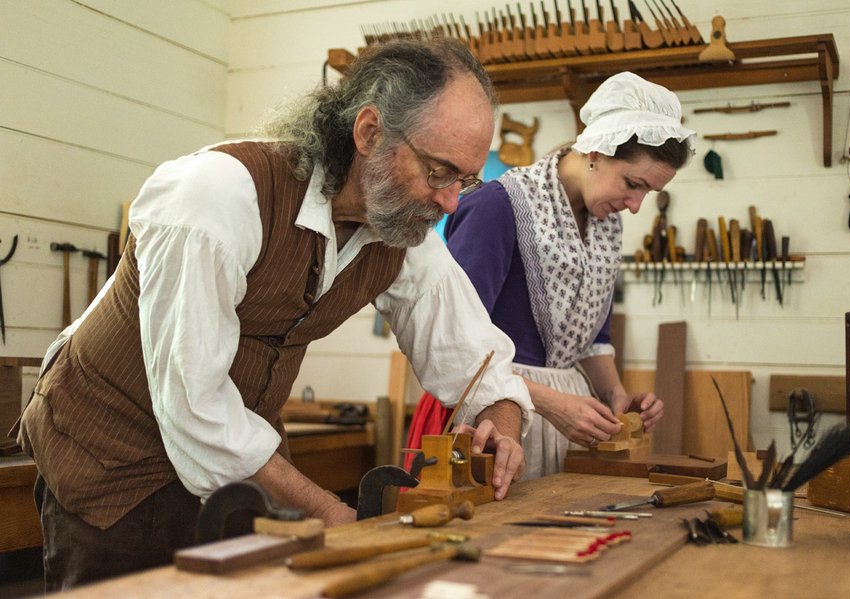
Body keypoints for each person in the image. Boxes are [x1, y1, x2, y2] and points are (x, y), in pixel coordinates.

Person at [11, 39, 533, 590]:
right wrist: (330, 512)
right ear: (369, 132)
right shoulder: (216, 196)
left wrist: (500, 424)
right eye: (437, 171)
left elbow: (477, 357)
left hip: (236, 461)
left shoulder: (404, 234)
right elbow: (196, 403)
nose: (451, 202)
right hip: (110, 459)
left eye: (465, 180)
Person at [407, 72, 696, 480]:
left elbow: (593, 337)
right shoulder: (498, 207)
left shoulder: (605, 226)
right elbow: (455, 343)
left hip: (567, 418)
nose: (635, 206)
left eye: (647, 193)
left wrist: (616, 397)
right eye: (633, 184)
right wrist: (556, 403)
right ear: (595, 150)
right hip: (490, 417)